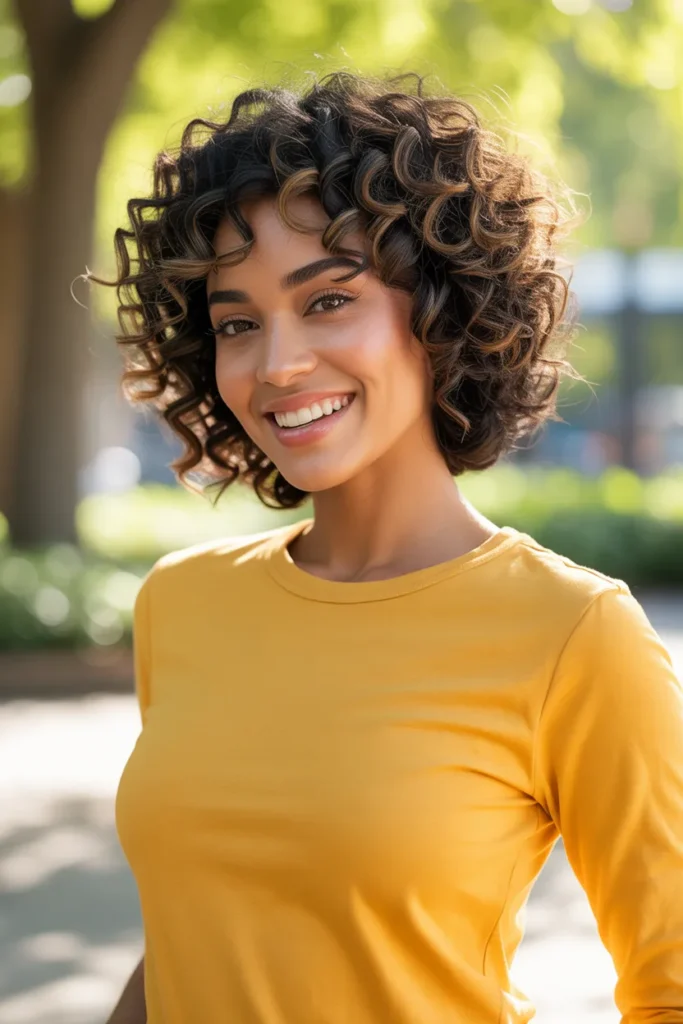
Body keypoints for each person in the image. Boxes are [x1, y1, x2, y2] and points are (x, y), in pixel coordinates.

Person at [98, 72, 683, 1024]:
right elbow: (190, 938)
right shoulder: (182, 600)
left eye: (328, 300)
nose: (277, 363)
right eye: (236, 322)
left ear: (440, 312)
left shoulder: (575, 636)